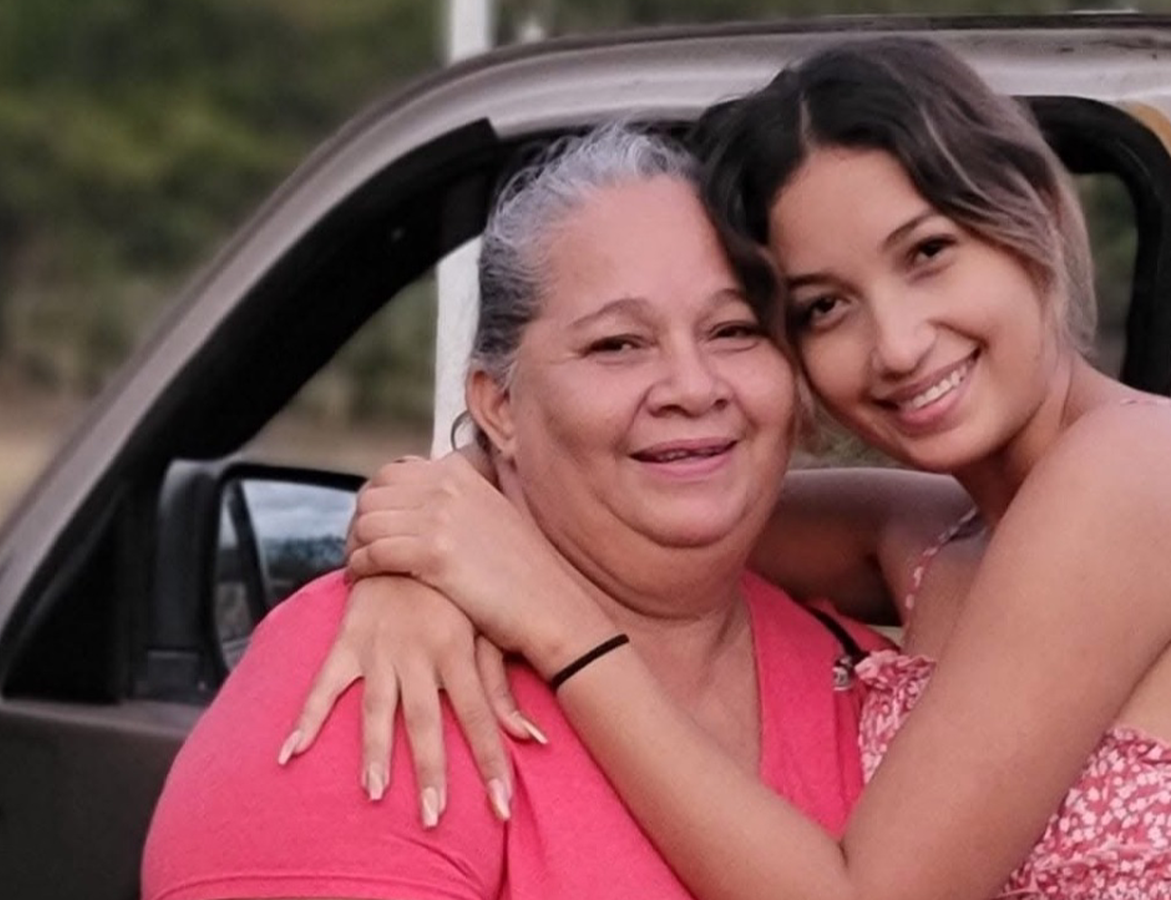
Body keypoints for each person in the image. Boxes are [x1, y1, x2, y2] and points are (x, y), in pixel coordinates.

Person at [295, 37, 1171, 900]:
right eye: (825, 307)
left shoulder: (1133, 470)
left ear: (1037, 217)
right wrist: (417, 569)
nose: (898, 345)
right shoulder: (930, 535)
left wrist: (561, 633)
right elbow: (601, 505)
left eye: (927, 254)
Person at [140, 124, 894, 900]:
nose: (693, 387)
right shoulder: (374, 683)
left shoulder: (875, 685)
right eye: (618, 345)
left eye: (734, 330)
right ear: (498, 404)